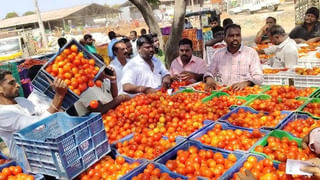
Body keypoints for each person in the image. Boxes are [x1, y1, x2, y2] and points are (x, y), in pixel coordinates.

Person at [0, 69, 67, 156]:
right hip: (29, 160)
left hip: (46, 152)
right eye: (11, 83)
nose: (18, 85)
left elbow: (43, 114)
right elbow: (37, 126)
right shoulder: (3, 114)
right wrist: (59, 96)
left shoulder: (22, 101)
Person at [204, 24, 263, 90]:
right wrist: (209, 79)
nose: (235, 38)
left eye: (238, 35)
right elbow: (209, 72)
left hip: (245, 93)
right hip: (224, 93)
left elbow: (259, 77)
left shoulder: (250, 53)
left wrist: (246, 83)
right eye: (231, 36)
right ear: (225, 38)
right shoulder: (218, 54)